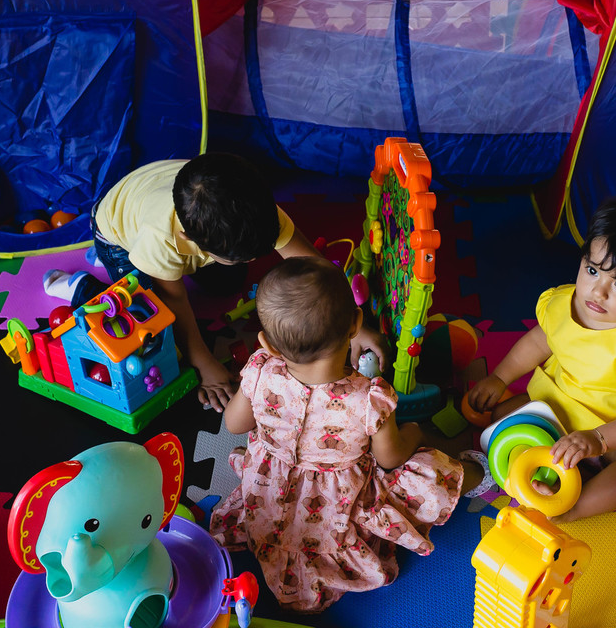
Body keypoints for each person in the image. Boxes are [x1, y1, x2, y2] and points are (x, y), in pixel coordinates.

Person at [209, 256, 491, 613]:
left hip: (269, 497)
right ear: (356, 324)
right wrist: (413, 432)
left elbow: (235, 425)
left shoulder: (260, 371)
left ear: (268, 344)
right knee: (429, 472)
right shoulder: (369, 398)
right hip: (339, 507)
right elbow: (390, 459)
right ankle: (481, 474)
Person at [44, 153, 386, 412]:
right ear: (189, 239)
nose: (252, 262)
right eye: (242, 257)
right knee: (146, 316)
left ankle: (171, 263)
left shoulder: (257, 214)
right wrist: (205, 364)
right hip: (116, 231)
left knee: (228, 282)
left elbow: (315, 266)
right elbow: (175, 303)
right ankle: (82, 285)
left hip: (157, 196)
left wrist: (355, 325)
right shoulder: (161, 238)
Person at [466, 195, 616, 521]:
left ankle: (575, 507)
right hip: (559, 405)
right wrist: (500, 377)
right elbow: (540, 341)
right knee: (502, 415)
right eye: (592, 270)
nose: (598, 292)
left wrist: (599, 439)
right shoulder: (563, 302)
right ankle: (547, 475)